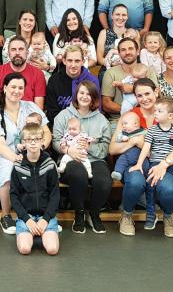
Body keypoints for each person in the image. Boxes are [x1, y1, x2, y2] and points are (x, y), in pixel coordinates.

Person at [0, 73, 51, 234]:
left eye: (20, 87)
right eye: (13, 87)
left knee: (47, 169)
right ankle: (6, 215)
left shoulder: (31, 107)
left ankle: (41, 215)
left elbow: (47, 132)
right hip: (3, 155)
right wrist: (18, 159)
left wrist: (39, 148)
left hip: (33, 151)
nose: (17, 90)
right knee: (9, 169)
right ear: (5, 88)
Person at [52, 81, 112, 234]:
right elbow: (55, 141)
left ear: (94, 98)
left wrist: (90, 147)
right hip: (70, 160)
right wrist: (68, 150)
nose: (85, 96)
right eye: (82, 93)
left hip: (94, 159)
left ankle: (93, 213)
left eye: (89, 94)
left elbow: (105, 147)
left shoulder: (101, 120)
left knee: (104, 181)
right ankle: (79, 213)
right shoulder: (63, 116)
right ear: (76, 95)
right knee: (79, 175)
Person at [132, 97, 173, 237]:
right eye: (155, 110)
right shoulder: (152, 130)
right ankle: (150, 215)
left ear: (170, 116)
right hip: (155, 163)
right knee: (151, 185)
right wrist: (139, 163)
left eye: (159, 111)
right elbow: (146, 148)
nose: (155, 113)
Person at [108, 78, 159, 236]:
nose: (144, 99)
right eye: (139, 95)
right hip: (133, 163)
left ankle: (163, 212)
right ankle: (126, 215)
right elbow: (113, 149)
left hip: (158, 162)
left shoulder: (165, 112)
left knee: (168, 189)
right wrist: (134, 142)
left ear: (156, 92)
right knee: (136, 181)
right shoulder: (130, 116)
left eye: (147, 94)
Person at [10, 123, 60, 256]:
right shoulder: (17, 166)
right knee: (25, 249)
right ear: (23, 143)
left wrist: (46, 219)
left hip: (45, 216)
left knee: (52, 249)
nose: (33, 143)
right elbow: (14, 196)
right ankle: (29, 232)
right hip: (27, 216)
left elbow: (55, 195)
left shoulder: (49, 164)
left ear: (42, 141)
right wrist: (27, 219)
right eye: (28, 140)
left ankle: (45, 231)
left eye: (37, 139)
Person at [101, 38, 157, 125]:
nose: (127, 52)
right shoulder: (111, 73)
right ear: (119, 53)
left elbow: (157, 95)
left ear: (138, 51)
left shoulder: (148, 71)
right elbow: (106, 104)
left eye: (131, 48)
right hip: (120, 120)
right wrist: (129, 110)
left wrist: (132, 89)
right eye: (123, 50)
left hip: (148, 118)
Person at [0, 36, 46, 109]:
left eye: (21, 49)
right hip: (3, 115)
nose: (17, 53)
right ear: (8, 53)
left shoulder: (38, 74)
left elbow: (38, 108)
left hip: (29, 116)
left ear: (27, 52)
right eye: (13, 49)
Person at [45, 46, 99, 123]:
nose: (73, 65)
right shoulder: (54, 80)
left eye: (77, 61)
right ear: (64, 61)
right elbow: (51, 111)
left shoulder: (92, 81)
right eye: (70, 60)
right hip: (60, 124)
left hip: (87, 124)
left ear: (83, 62)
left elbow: (96, 109)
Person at [96, 3, 130, 81]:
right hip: (107, 70)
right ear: (112, 16)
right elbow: (99, 58)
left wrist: (123, 64)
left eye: (124, 15)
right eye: (117, 14)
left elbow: (136, 56)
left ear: (127, 17)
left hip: (127, 70)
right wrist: (112, 64)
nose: (120, 17)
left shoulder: (132, 33)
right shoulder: (104, 33)